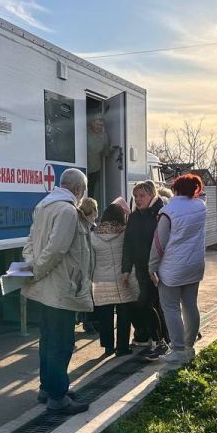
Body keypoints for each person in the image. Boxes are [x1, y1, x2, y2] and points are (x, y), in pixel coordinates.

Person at [22, 168, 93, 415]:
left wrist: (31, 266)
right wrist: (38, 270)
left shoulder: (44, 206)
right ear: (77, 189)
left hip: (45, 287)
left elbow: (30, 242)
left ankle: (49, 387)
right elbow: (56, 250)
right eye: (83, 191)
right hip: (61, 287)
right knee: (61, 343)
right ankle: (58, 396)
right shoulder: (67, 211)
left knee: (49, 339)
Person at [148, 174, 207, 365]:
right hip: (195, 265)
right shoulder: (200, 207)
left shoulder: (169, 211)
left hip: (172, 268)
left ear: (176, 189)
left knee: (171, 308)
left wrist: (152, 266)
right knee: (190, 305)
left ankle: (178, 349)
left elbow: (159, 243)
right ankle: (189, 347)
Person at [122, 180, 169, 358]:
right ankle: (162, 340)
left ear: (152, 194)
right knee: (151, 304)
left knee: (152, 303)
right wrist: (126, 269)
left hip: (159, 267)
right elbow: (128, 244)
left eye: (142, 195)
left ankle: (162, 341)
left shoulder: (160, 214)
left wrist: (157, 266)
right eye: (135, 196)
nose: (138, 199)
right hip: (142, 269)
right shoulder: (134, 217)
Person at [91, 203, 138, 357]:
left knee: (105, 315)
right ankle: (122, 347)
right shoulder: (126, 233)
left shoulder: (93, 234)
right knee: (125, 314)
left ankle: (108, 347)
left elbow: (91, 259)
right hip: (122, 277)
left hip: (100, 279)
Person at [77, 197, 100, 333]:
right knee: (89, 295)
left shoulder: (78, 224)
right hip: (90, 266)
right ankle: (88, 321)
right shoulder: (93, 228)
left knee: (84, 293)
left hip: (82, 265)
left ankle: (84, 319)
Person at [86, 118, 112, 200]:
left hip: (94, 168)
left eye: (101, 125)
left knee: (90, 192)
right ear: (92, 124)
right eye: (97, 124)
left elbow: (105, 153)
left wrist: (111, 150)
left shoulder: (104, 136)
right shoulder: (85, 132)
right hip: (82, 165)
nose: (99, 127)